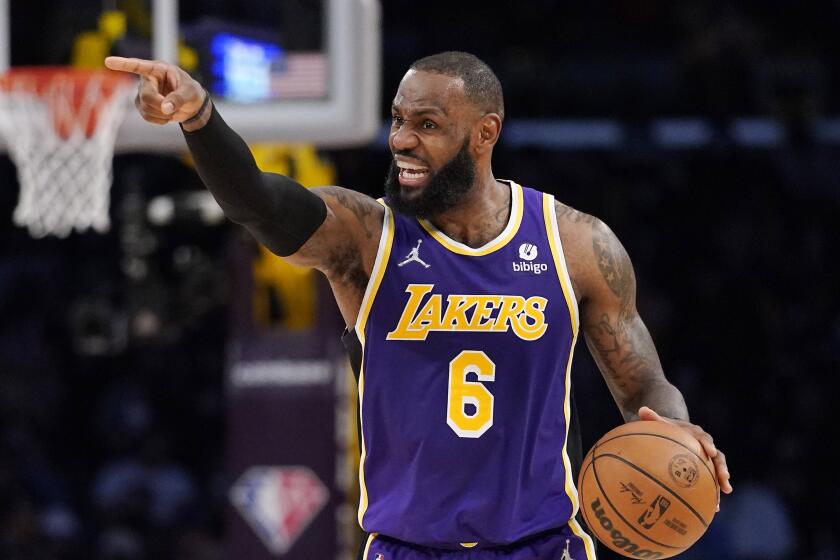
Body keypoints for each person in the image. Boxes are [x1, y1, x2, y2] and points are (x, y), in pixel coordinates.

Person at [105, 51, 733, 560]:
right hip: (407, 548)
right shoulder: (366, 238)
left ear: (485, 133)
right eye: (398, 119)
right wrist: (200, 119)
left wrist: (676, 431)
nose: (402, 140)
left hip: (539, 546)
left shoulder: (575, 243)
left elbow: (643, 382)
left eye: (427, 125)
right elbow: (259, 205)